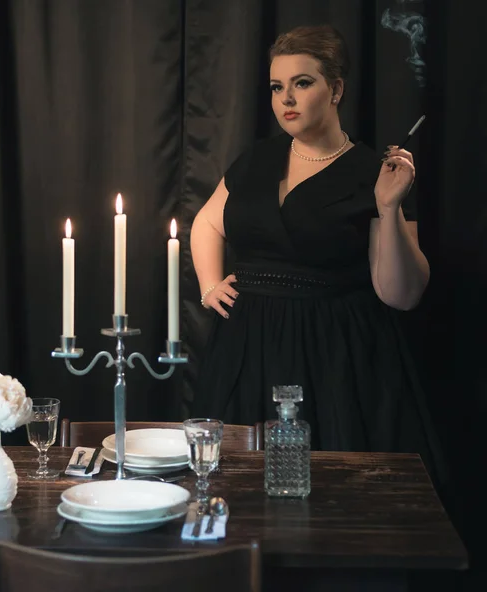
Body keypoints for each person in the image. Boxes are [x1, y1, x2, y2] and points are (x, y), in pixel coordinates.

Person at [190, 24, 445, 484]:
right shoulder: (257, 160)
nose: (286, 99)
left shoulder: (375, 172)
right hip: (246, 347)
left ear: (336, 90)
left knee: (329, 494)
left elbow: (401, 294)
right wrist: (210, 285)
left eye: (302, 83)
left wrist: (388, 207)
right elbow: (207, 222)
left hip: (333, 355)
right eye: (276, 87)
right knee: (235, 488)